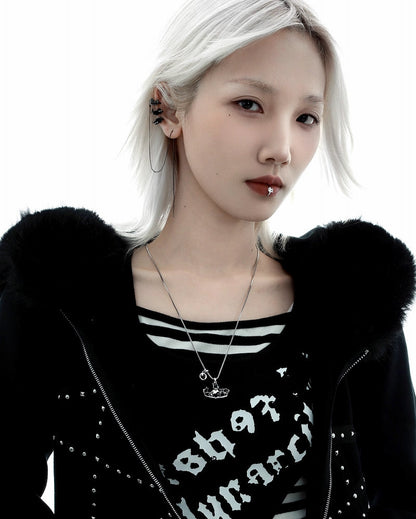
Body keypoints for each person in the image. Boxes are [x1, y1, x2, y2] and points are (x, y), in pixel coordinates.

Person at [0, 0, 415, 517]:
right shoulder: (60, 297)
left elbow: (402, 497)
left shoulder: (353, 301)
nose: (282, 148)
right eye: (249, 104)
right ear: (170, 110)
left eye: (306, 117)